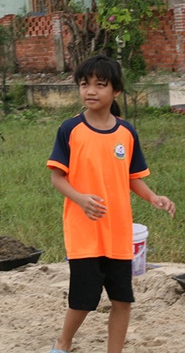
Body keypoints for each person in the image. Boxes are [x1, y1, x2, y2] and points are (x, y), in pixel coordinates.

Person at [46, 55, 175, 353]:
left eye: (99, 85)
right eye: (84, 84)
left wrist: (154, 197)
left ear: (115, 91)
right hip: (84, 232)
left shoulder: (126, 132)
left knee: (122, 300)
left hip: (118, 233)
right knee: (84, 300)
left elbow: (132, 177)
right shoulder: (70, 129)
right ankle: (62, 344)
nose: (90, 91)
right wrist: (80, 199)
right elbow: (57, 178)